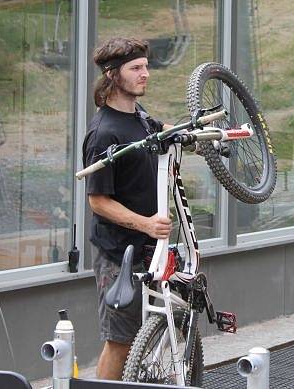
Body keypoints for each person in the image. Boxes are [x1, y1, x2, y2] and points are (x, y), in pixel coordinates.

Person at [82, 37, 172, 380]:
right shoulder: (104, 133)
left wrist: (202, 133)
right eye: (136, 68)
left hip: (150, 248)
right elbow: (98, 201)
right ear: (112, 75)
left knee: (142, 334)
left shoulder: (140, 118)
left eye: (146, 67)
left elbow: (165, 132)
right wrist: (145, 224)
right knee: (119, 341)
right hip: (117, 252)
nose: (145, 74)